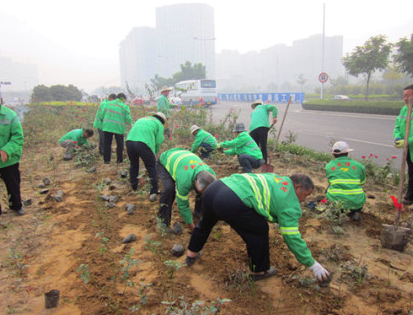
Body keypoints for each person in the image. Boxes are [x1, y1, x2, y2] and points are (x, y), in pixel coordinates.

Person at [185, 173, 330, 283]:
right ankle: (259, 271)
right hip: (231, 199)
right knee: (259, 230)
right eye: (306, 195)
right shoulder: (289, 200)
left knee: (205, 224)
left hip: (215, 187)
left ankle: (191, 255)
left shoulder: (276, 178)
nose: (304, 200)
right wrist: (312, 264)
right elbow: (292, 237)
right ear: (297, 187)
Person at [157, 148, 216, 233]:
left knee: (205, 192)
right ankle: (163, 223)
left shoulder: (211, 174)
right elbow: (183, 205)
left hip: (183, 155)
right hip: (165, 160)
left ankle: (198, 212)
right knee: (169, 190)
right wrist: (192, 227)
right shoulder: (184, 182)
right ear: (195, 182)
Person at [126, 112, 167, 201]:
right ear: (162, 121)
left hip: (129, 142)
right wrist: (154, 152)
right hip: (144, 144)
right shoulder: (159, 124)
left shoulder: (141, 119)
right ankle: (153, 192)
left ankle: (134, 186)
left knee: (134, 165)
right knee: (151, 167)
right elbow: (159, 140)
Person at [325, 141, 366, 221]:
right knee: (359, 192)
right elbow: (362, 182)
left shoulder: (329, 166)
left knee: (329, 188)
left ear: (333, 154)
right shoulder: (359, 166)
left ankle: (337, 213)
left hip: (336, 203)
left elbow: (330, 182)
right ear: (347, 153)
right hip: (356, 202)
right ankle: (355, 212)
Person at [0, 99, 25, 215]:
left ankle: (16, 206)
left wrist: (6, 150)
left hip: (9, 160)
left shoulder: (10, 116)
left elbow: (17, 137)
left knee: (13, 184)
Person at [394, 84, 413, 207]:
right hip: (409, 150)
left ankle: (409, 197)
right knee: (411, 172)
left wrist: (407, 141)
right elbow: (398, 125)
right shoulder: (404, 109)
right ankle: (409, 197)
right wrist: (398, 137)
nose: (405, 98)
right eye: (404, 96)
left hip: (409, 144)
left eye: (408, 95)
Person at [100, 93, 132, 164]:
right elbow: (128, 118)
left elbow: (102, 114)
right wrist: (131, 124)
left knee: (107, 144)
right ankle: (119, 160)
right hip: (119, 128)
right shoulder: (124, 106)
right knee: (120, 144)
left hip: (108, 126)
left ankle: (106, 160)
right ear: (123, 99)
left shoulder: (108, 103)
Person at [249, 99, 278, 163]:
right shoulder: (264, 107)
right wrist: (275, 117)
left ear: (255, 106)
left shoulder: (253, 112)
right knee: (263, 145)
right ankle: (264, 162)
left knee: (254, 147)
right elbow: (274, 108)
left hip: (252, 130)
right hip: (262, 127)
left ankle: (255, 162)